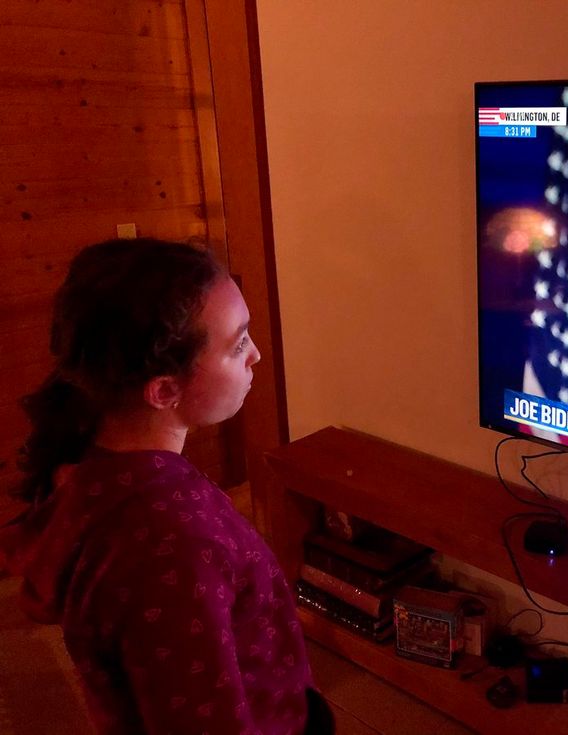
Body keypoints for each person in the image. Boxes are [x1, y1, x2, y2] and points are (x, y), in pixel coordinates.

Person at [0, 239, 333, 734]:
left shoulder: (95, 470)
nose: (257, 355)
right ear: (163, 390)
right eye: (238, 343)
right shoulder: (169, 547)